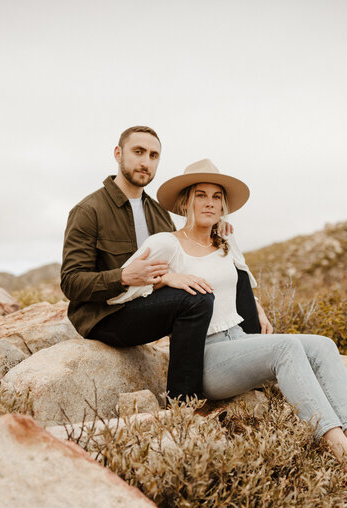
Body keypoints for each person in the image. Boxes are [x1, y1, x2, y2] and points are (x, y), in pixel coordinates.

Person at [107, 158, 347, 502]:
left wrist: (255, 306)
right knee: (284, 348)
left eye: (217, 196)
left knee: (323, 345)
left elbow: (242, 281)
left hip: (240, 342)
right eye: (201, 195)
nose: (210, 202)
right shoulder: (167, 243)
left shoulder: (226, 244)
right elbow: (123, 287)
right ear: (186, 201)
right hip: (205, 356)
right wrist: (166, 277)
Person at [60, 126, 260, 400]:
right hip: (106, 316)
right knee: (194, 300)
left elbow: (186, 259)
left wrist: (216, 233)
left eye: (154, 155)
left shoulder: (157, 214)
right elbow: (71, 283)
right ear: (119, 154)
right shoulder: (89, 211)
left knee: (230, 271)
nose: (146, 162)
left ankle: (254, 363)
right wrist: (125, 276)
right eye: (138, 152)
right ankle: (183, 403)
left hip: (148, 307)